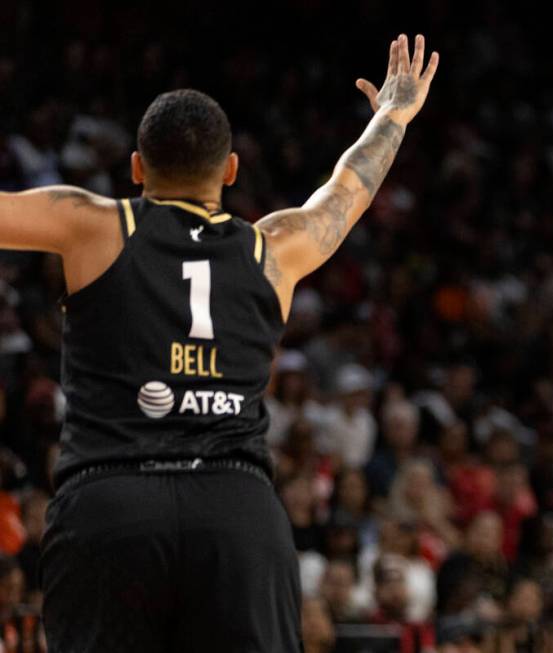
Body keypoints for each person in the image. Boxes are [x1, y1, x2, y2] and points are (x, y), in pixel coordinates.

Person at [0, 33, 437, 651]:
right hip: (235, 512)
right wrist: (393, 116)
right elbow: (348, 190)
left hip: (111, 502)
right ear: (230, 170)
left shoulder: (92, 223)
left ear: (135, 167)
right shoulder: (274, 247)